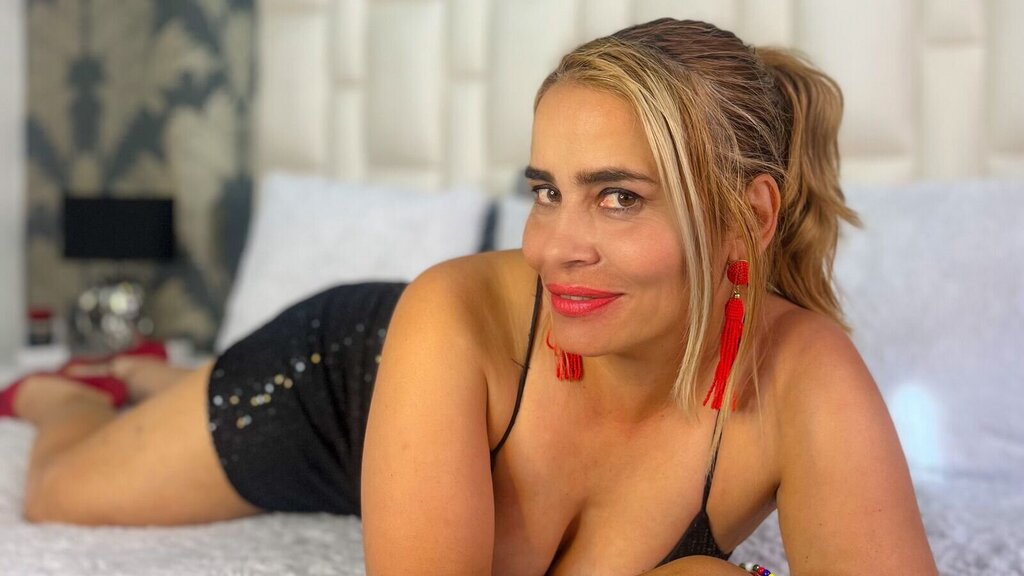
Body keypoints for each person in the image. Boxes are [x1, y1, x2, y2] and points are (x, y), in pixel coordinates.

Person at [0, 18, 936, 575]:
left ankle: (163, 378)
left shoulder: (805, 377)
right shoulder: (452, 311)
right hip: (340, 379)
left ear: (747, 219)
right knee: (61, 492)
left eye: (619, 197)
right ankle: (76, 391)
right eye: (546, 191)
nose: (552, 248)